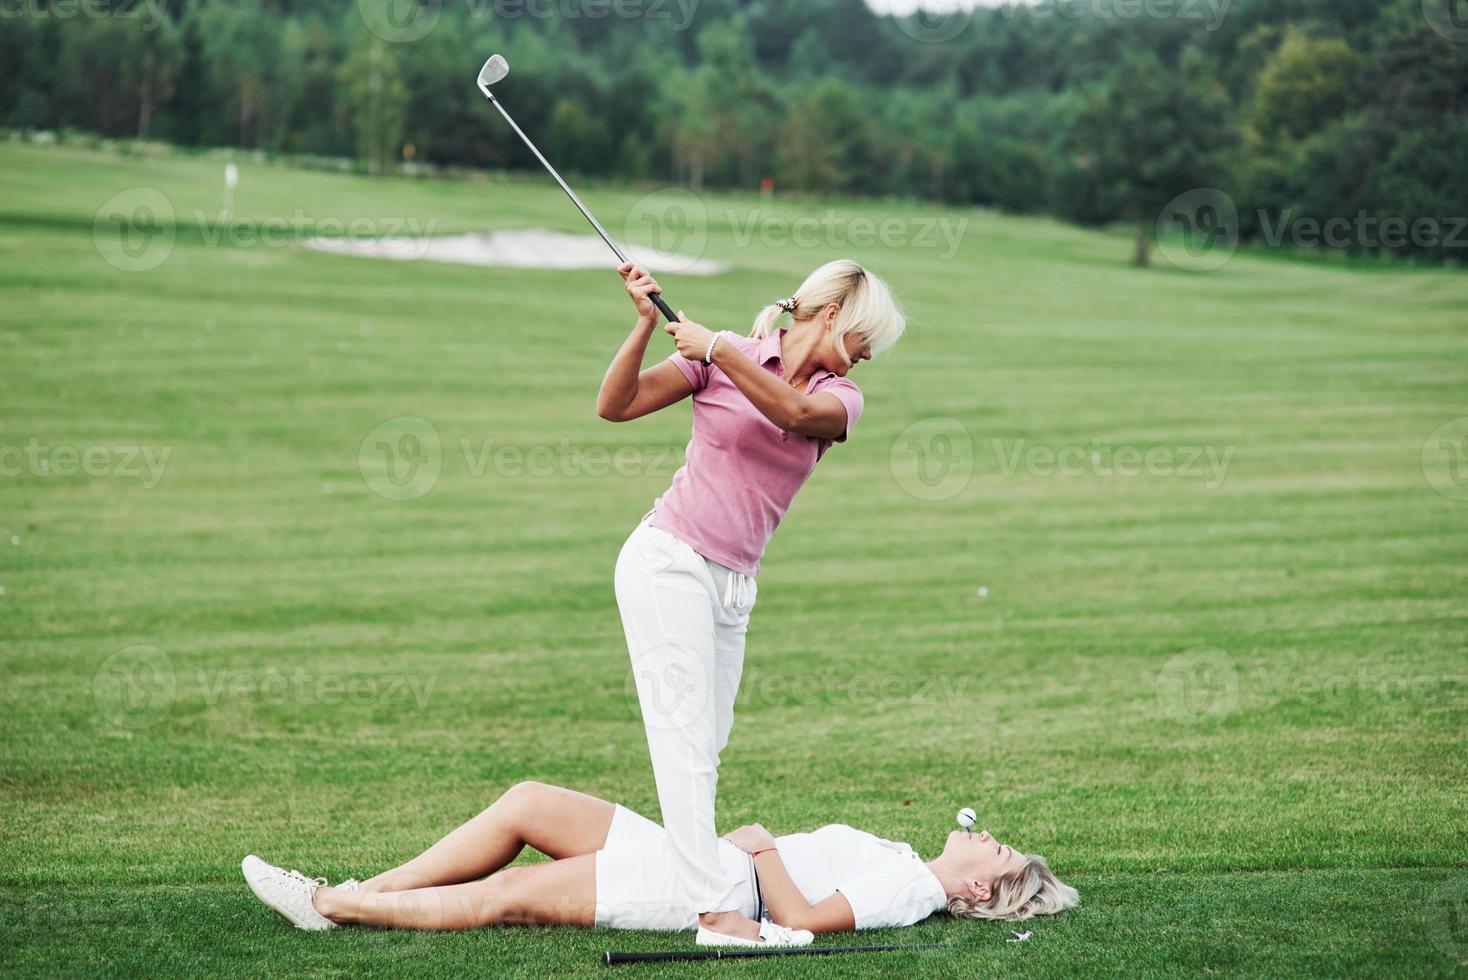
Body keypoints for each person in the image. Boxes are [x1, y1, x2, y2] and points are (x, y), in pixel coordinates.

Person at [597, 259, 907, 946]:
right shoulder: (723, 356)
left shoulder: (839, 399)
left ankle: (684, 884)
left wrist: (718, 349)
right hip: (667, 561)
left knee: (707, 746)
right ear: (832, 315)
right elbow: (614, 406)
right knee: (683, 742)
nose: (865, 357)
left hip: (734, 586)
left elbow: (792, 413)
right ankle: (716, 914)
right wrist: (647, 326)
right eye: (863, 340)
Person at [240, 780, 1079, 933]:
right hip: (699, 856)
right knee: (530, 801)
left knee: (511, 890)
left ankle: (329, 904)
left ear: (978, 886)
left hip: (709, 882)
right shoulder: (905, 857)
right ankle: (361, 889)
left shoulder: (913, 890)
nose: (984, 834)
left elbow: (805, 921)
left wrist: (766, 850)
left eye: (995, 848)